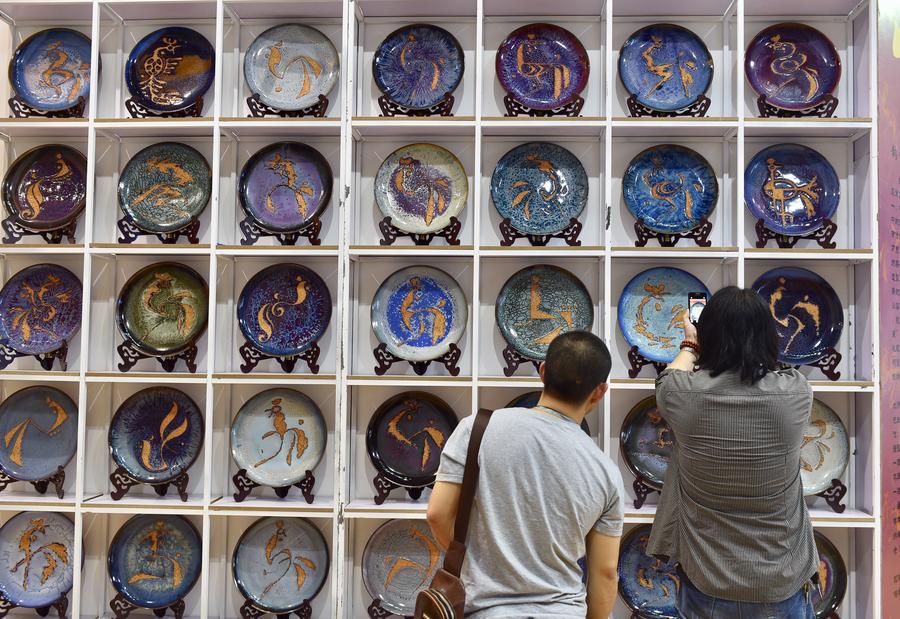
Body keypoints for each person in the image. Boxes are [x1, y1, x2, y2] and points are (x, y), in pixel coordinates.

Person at [427, 331, 625, 619]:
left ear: (542, 372)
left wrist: (477, 565)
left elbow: (437, 514)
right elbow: (605, 573)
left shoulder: (477, 429)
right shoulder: (606, 472)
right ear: (600, 391)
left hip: (486, 611)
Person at [648, 286, 817, 618]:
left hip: (708, 580)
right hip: (780, 579)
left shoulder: (682, 396)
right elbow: (773, 368)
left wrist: (690, 342)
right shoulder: (796, 392)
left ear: (706, 336)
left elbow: (669, 378)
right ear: (769, 336)